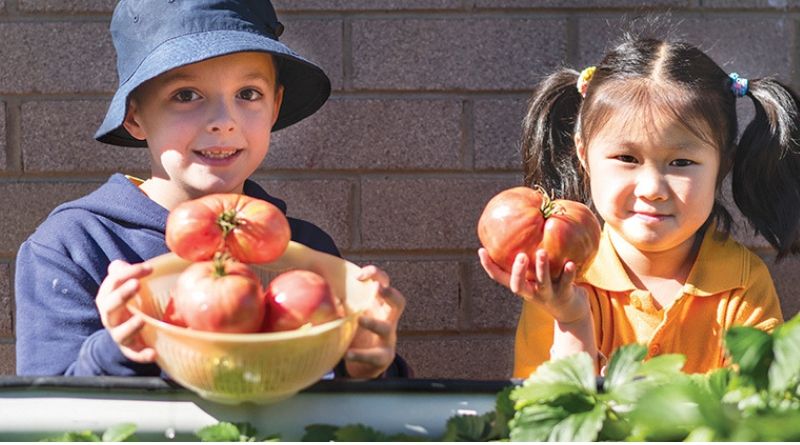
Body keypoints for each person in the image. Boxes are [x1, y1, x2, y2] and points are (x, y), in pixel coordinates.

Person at [15, 0, 410, 380]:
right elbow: (46, 414)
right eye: (186, 95)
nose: (224, 121)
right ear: (134, 116)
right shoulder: (76, 246)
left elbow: (344, 407)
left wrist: (366, 366)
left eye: (248, 94)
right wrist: (117, 351)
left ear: (274, 106)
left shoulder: (301, 251)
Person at [479, 35, 800, 377]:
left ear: (722, 164)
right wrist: (571, 318)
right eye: (627, 158)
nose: (652, 190)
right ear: (584, 154)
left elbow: (756, 414)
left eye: (680, 163)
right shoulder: (560, 280)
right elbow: (550, 415)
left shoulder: (743, 282)